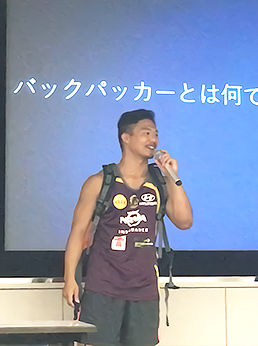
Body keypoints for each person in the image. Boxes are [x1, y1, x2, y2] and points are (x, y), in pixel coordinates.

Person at [63, 109, 193, 346]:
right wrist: (69, 278)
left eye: (155, 134)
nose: (153, 140)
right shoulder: (99, 182)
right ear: (126, 137)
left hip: (144, 289)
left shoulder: (159, 182)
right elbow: (78, 232)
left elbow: (184, 222)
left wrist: (172, 177)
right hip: (103, 287)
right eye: (146, 133)